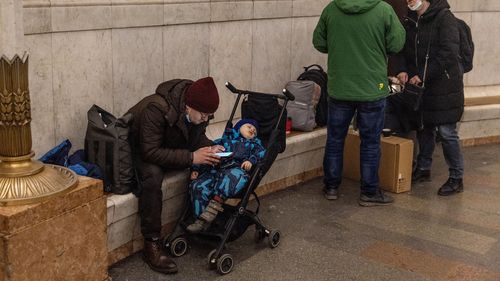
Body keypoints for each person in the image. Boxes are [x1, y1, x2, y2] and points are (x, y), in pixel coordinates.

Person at [127, 77, 225, 274]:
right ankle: (152, 243)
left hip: (164, 147)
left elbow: (196, 137)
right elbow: (150, 152)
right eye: (204, 115)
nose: (206, 119)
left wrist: (209, 147)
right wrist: (191, 157)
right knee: (152, 178)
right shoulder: (156, 109)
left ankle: (194, 220)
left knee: (206, 162)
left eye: (209, 116)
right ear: (189, 107)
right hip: (136, 151)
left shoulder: (196, 111)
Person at [313, 0, 405, 206]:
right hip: (372, 88)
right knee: (371, 142)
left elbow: (319, 42)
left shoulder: (332, 9)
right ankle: (369, 192)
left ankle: (331, 187)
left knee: (335, 140)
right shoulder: (383, 10)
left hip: (340, 88)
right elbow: (397, 43)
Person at [396, 0, 465, 196]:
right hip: (421, 88)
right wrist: (402, 70)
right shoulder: (409, 21)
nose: (409, 1)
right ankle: (423, 168)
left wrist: (423, 74)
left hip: (444, 87)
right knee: (424, 127)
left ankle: (456, 177)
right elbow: (402, 50)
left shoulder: (445, 18)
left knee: (447, 132)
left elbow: (449, 53)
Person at [186, 119, 266, 233]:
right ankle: (201, 221)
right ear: (238, 127)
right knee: (198, 186)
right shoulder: (224, 140)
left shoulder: (254, 145)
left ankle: (214, 206)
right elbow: (209, 153)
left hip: (236, 171)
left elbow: (261, 154)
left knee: (233, 175)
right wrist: (196, 169)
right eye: (249, 127)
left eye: (255, 131)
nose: (252, 130)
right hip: (216, 171)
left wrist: (250, 161)